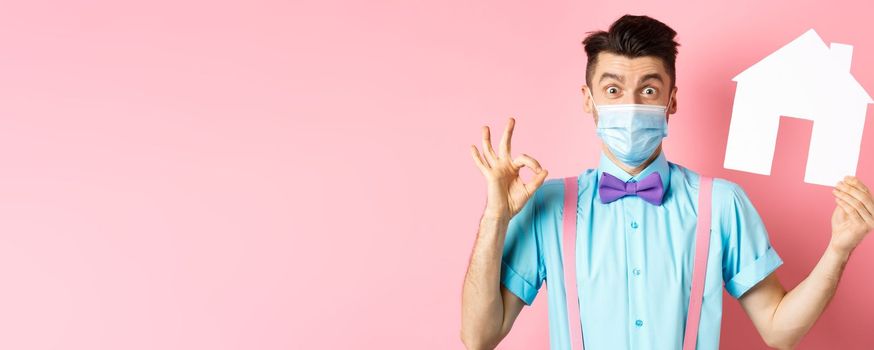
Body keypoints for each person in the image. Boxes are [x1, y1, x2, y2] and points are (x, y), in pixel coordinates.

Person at [460, 14, 874, 350]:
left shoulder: (722, 204)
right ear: (589, 101)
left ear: (671, 100)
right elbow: (479, 338)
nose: (631, 105)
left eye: (649, 89)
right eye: (613, 89)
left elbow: (779, 331)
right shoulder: (549, 205)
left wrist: (839, 249)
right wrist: (496, 216)